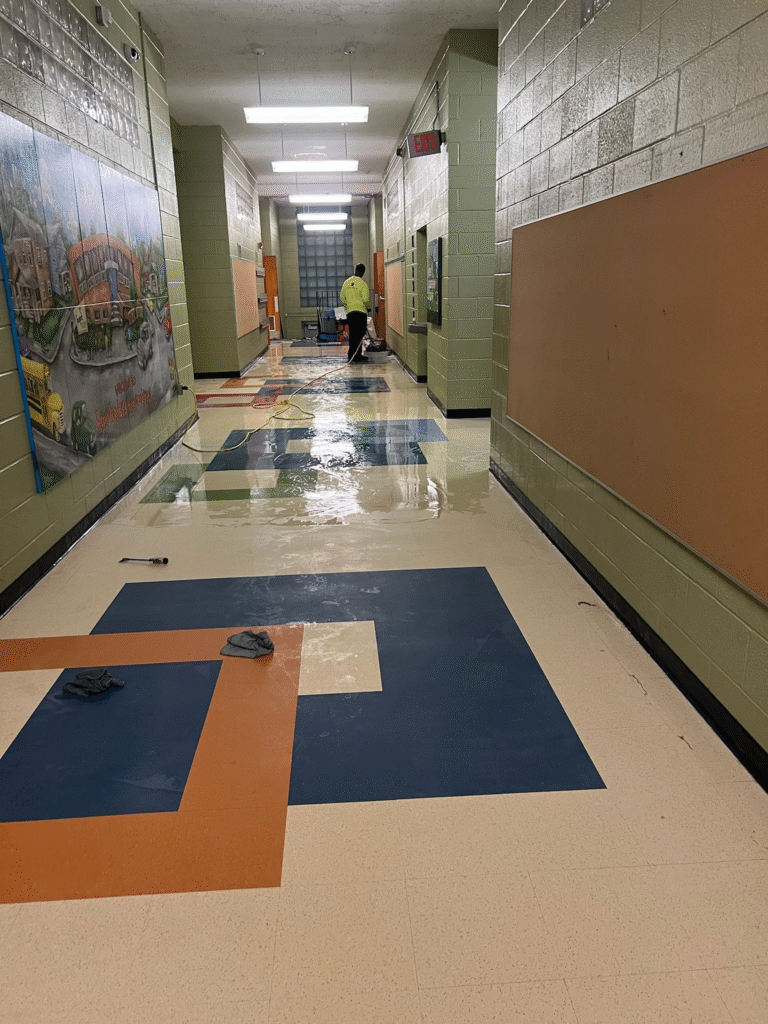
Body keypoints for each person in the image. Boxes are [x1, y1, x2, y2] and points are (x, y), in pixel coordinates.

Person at [339, 263, 370, 363]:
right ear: (362, 272)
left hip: (350, 313)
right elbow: (365, 299)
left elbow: (342, 298)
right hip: (361, 313)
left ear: (355, 270)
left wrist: (347, 307)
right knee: (360, 334)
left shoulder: (346, 282)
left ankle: (354, 354)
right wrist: (368, 307)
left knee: (353, 333)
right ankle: (355, 355)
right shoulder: (363, 284)